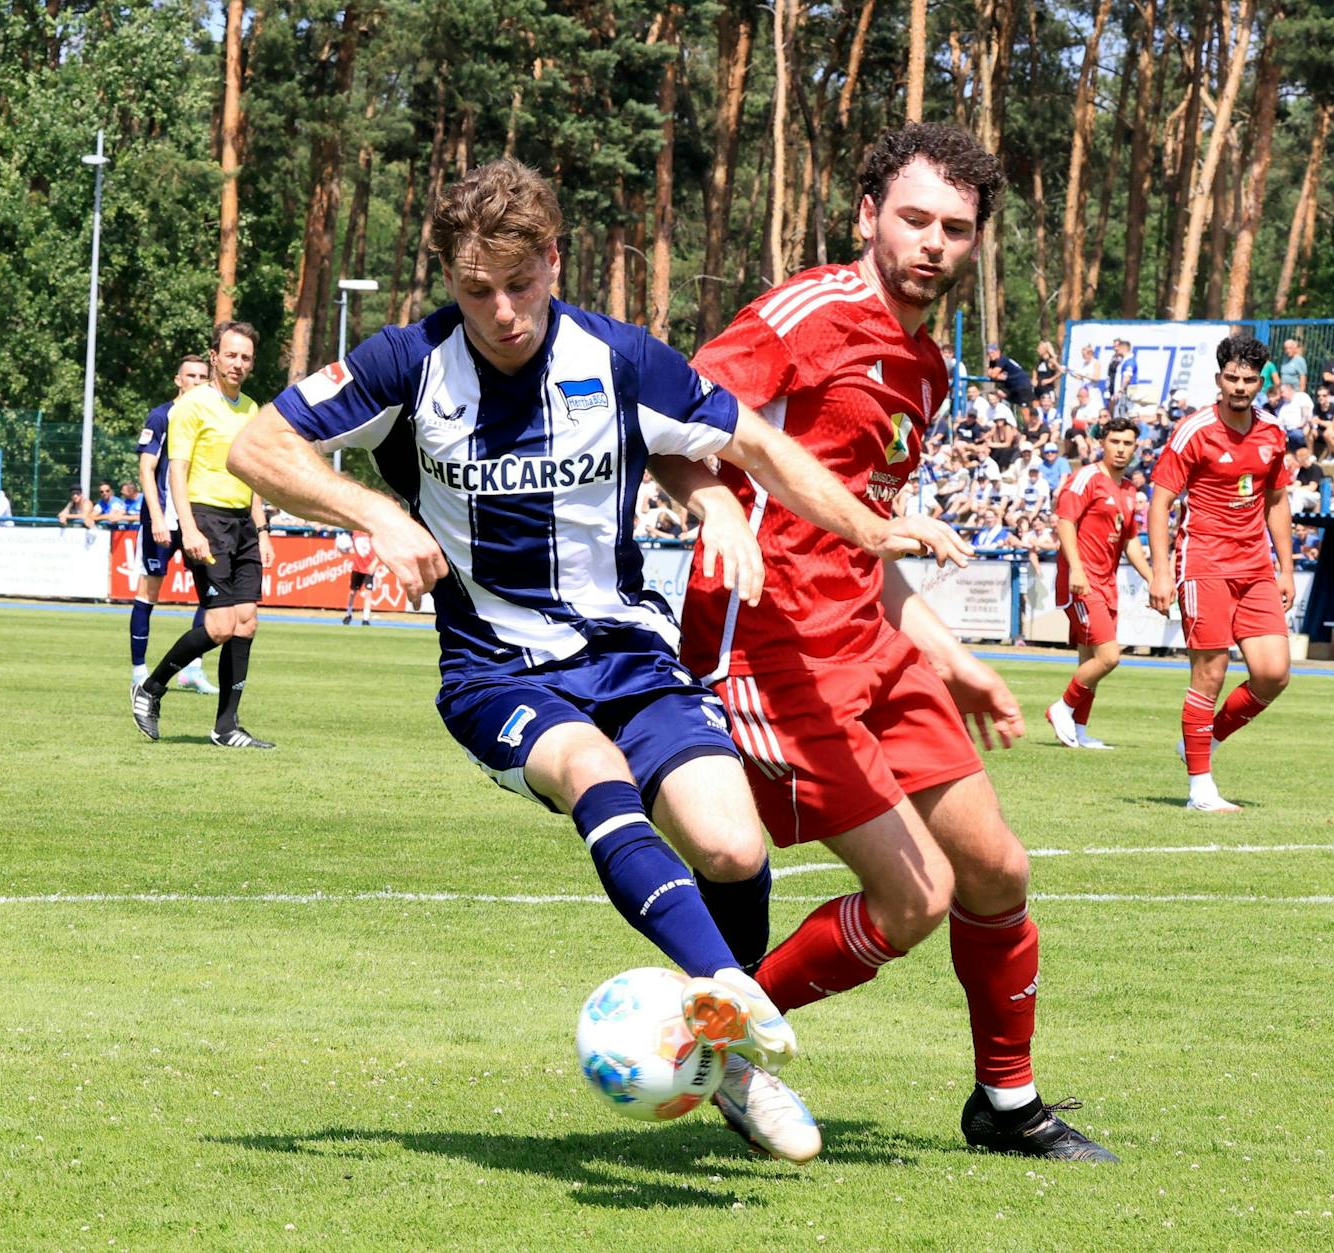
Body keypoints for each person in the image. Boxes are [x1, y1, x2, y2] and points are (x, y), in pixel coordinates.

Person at [227, 157, 968, 1164]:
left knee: (733, 848)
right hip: (494, 669)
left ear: (554, 260)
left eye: (518, 283)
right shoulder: (407, 361)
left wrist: (864, 528)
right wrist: (373, 512)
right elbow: (257, 446)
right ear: (447, 278)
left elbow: (754, 443)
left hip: (626, 652)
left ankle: (724, 1052)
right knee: (591, 767)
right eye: (475, 290)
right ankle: (737, 1008)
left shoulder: (617, 356)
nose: (500, 313)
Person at [677, 122, 1118, 1162]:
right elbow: (669, 409)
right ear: (867, 215)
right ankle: (705, 1038)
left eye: (954, 228)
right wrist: (715, 504)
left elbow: (865, 539)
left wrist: (952, 657)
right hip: (774, 650)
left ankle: (1004, 1103)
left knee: (995, 870)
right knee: (913, 897)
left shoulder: (924, 366)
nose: (932, 242)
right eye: (913, 218)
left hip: (872, 642)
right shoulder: (806, 314)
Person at [1148, 334, 1295, 813]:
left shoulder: (1273, 432)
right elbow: (1160, 503)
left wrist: (1286, 568)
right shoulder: (1194, 431)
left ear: (1261, 383)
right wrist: (1160, 572)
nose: (1239, 386)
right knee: (1210, 673)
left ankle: (1202, 741)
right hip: (1203, 562)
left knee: (1273, 674)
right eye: (1231, 378)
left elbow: (1277, 501)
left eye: (1248, 379)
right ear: (1219, 379)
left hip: (1255, 566)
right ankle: (1200, 790)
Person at [131, 322, 275, 748]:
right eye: (231, 355)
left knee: (246, 622)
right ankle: (151, 688)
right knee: (220, 624)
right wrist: (189, 526)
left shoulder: (251, 409)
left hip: (244, 523)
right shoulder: (191, 406)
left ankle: (226, 727)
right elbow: (177, 470)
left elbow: (253, 475)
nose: (238, 363)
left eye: (246, 357)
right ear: (215, 356)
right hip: (207, 519)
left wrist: (262, 530)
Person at [1044, 416, 1154, 751]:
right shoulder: (1086, 478)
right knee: (1109, 656)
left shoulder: (1129, 490)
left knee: (1090, 661)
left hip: (1107, 584)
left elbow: (1129, 540)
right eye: (1114, 442)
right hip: (1084, 582)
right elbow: (1065, 522)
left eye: (1127, 443)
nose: (1120, 449)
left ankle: (1079, 729)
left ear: (1135, 448)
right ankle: (1061, 708)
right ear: (1102, 444)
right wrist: (1076, 570)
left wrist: (1152, 578)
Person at [129, 355, 217, 697]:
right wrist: (156, 517)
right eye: (190, 375)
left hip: (196, 519)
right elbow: (146, 469)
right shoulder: (161, 415)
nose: (196, 381)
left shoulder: (209, 417)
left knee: (211, 593)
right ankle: (139, 672)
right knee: (148, 592)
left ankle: (192, 670)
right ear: (177, 380)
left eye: (202, 376)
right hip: (163, 519)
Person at [338, 530, 382, 626]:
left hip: (369, 568)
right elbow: (345, 545)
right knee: (352, 592)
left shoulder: (372, 533)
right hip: (357, 567)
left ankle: (365, 619)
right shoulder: (355, 532)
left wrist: (374, 564)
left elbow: (380, 551)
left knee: (368, 593)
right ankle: (348, 614)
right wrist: (343, 549)